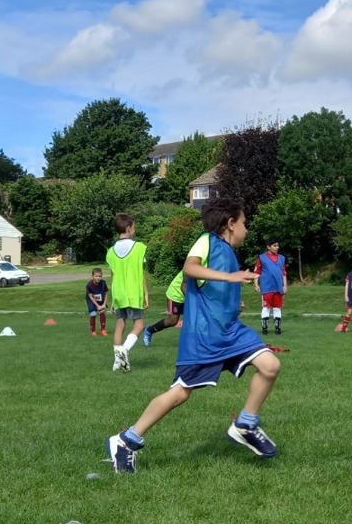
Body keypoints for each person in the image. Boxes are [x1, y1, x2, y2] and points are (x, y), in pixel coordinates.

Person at [106, 198, 282, 473]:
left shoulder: (227, 252)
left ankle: (246, 423)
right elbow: (190, 268)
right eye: (245, 223)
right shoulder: (207, 240)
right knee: (179, 394)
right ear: (230, 223)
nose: (247, 230)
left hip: (230, 332)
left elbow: (212, 286)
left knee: (270, 365)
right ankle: (127, 440)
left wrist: (232, 299)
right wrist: (231, 278)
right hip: (204, 337)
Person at [105, 213, 149, 372]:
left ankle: (117, 362)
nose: (135, 230)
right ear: (128, 228)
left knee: (120, 324)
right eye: (134, 227)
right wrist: (146, 294)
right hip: (133, 292)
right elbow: (142, 273)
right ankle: (124, 349)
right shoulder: (139, 248)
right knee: (139, 325)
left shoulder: (110, 251)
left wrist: (111, 297)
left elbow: (113, 275)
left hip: (118, 293)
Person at [142, 270, 186, 346]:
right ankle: (149, 330)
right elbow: (184, 287)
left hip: (188, 296)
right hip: (175, 295)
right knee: (172, 321)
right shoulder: (194, 264)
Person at [254, 239, 287, 335]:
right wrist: (256, 284)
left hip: (278, 287)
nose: (277, 247)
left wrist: (285, 285)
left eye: (278, 245)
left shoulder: (281, 258)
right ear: (268, 247)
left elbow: (284, 272)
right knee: (266, 307)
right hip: (267, 286)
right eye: (275, 245)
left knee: (277, 307)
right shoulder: (262, 258)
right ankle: (264, 327)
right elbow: (257, 272)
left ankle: (278, 327)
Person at [86, 268, 109, 336]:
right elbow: (90, 296)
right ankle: (93, 331)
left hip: (100, 299)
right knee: (93, 313)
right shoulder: (89, 285)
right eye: (96, 276)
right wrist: (97, 306)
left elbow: (106, 293)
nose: (98, 278)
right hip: (91, 300)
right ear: (92, 276)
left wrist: (104, 304)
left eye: (99, 276)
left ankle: (103, 330)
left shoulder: (103, 283)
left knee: (102, 312)